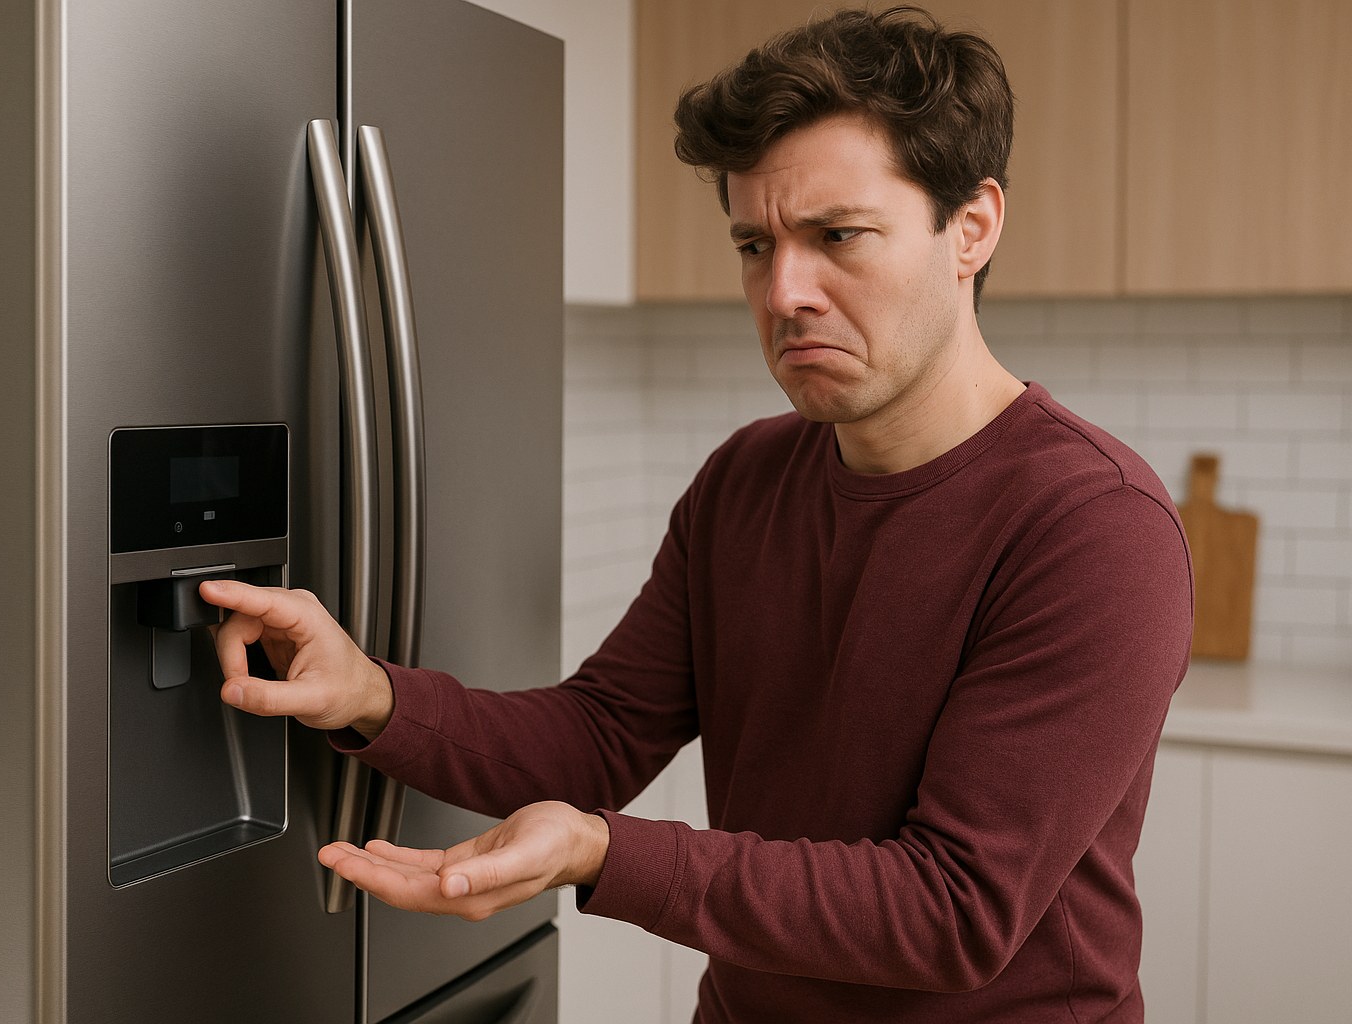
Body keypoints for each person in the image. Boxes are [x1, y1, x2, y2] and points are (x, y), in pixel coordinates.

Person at [201, 6, 1192, 1021]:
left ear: (971, 229)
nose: (784, 289)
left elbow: (952, 910)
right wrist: (367, 692)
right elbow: (598, 735)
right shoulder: (748, 479)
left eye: (837, 236)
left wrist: (602, 850)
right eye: (754, 245)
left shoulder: (1096, 528)